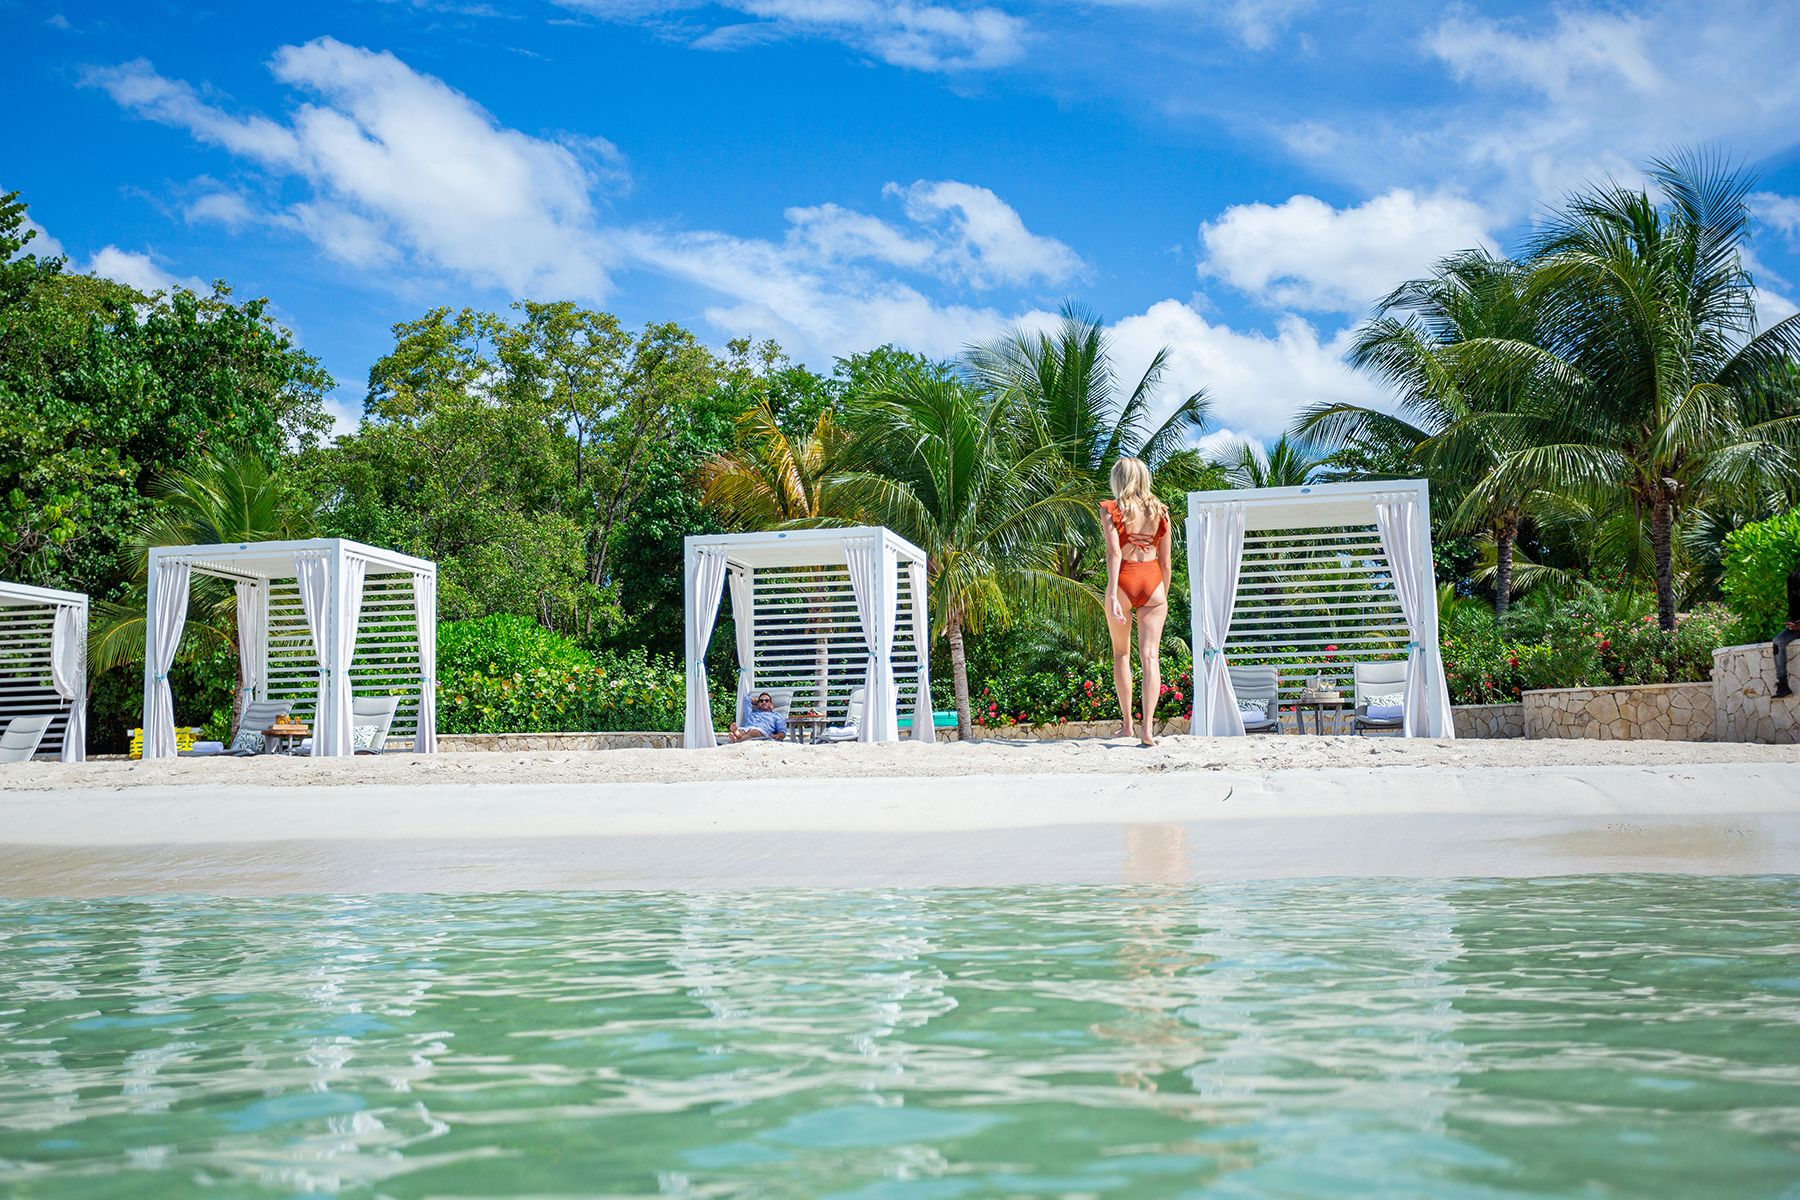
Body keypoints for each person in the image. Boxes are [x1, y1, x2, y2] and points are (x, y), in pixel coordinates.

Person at [1101, 457, 1172, 747]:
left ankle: (1128, 724)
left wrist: (1111, 593)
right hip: (1152, 581)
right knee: (1150, 657)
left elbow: (1114, 555)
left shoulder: (1111, 509)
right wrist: (1161, 595)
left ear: (1119, 479)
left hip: (1124, 581)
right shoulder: (1161, 511)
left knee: (1121, 655)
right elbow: (1166, 563)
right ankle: (1148, 731)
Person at [1773, 568, 1800, 699]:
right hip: (1797, 627)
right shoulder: (1793, 578)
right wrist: (1793, 623)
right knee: (1778, 642)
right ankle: (1783, 685)